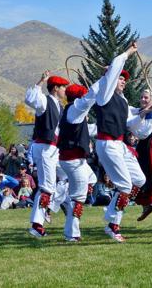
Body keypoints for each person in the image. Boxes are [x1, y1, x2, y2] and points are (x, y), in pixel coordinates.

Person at [94, 42, 146, 243]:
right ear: (111, 79)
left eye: (125, 79)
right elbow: (116, 64)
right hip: (107, 143)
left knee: (139, 180)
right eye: (120, 78)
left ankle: (111, 214)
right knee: (125, 185)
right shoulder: (104, 94)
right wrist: (130, 52)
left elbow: (128, 123)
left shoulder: (123, 101)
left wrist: (143, 112)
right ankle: (113, 225)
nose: (123, 81)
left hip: (120, 144)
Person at [25, 71, 69, 237]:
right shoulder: (45, 101)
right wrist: (40, 81)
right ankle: (37, 225)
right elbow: (30, 99)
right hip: (44, 147)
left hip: (54, 149)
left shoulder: (60, 106)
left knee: (67, 176)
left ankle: (51, 205)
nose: (65, 90)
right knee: (46, 186)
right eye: (63, 87)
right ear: (56, 88)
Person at [58, 81, 100, 242]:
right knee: (79, 197)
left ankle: (65, 202)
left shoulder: (71, 113)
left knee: (91, 179)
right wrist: (105, 76)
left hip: (71, 159)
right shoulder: (74, 110)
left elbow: (90, 129)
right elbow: (89, 97)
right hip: (73, 160)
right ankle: (72, 233)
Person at [126, 89, 152, 222]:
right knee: (142, 175)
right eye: (141, 97)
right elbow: (128, 108)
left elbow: (144, 133)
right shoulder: (138, 111)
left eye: (146, 98)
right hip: (142, 147)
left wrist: (147, 111)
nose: (143, 99)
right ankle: (146, 205)